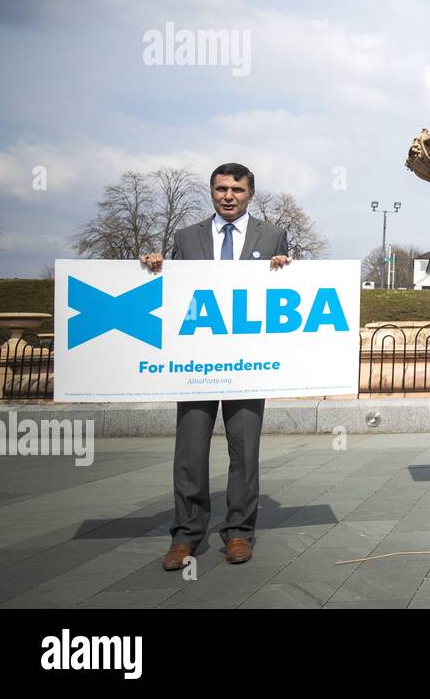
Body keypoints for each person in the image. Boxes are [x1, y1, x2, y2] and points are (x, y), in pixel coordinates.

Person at [139, 162, 291, 570]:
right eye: (221, 188)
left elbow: (289, 293)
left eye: (237, 190)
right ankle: (186, 535)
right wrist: (156, 268)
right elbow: (171, 293)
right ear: (211, 192)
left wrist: (286, 269)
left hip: (248, 363)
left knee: (245, 451)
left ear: (250, 194)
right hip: (196, 363)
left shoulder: (273, 235)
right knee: (189, 450)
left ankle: (239, 533)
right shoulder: (186, 238)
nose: (228, 196)